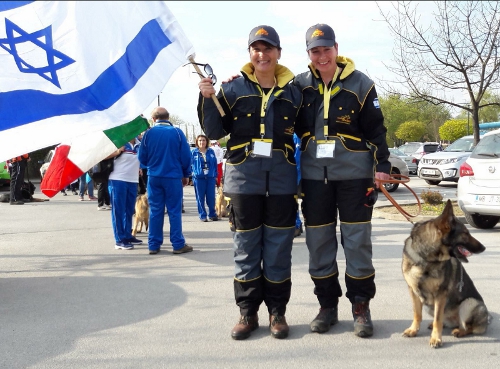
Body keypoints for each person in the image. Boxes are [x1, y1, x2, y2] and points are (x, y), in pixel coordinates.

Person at [197, 25, 302, 340]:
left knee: (279, 247)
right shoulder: (232, 88)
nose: (262, 54)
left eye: (268, 48)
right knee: (245, 247)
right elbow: (215, 131)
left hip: (282, 179)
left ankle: (277, 312)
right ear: (250, 54)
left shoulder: (295, 90)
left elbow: (309, 132)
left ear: (278, 53)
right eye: (256, 48)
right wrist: (206, 98)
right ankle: (247, 312)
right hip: (243, 179)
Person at [293, 24, 391, 338]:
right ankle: (327, 306)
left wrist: (383, 165)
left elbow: (377, 130)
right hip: (313, 178)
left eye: (326, 49)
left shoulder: (362, 84)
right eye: (315, 50)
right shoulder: (298, 85)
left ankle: (361, 306)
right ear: (309, 53)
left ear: (337, 48)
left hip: (354, 176)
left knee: (357, 242)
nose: (322, 56)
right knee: (319, 242)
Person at [138, 106, 193, 255]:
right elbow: (186, 156)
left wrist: (147, 167)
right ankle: (177, 244)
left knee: (155, 210)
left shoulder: (148, 134)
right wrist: (186, 174)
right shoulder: (177, 132)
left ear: (154, 119)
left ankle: (154, 245)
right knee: (174, 211)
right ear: (168, 118)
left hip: (154, 176)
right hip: (173, 176)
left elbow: (142, 156)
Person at [108, 138, 143, 250]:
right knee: (118, 210)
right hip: (117, 179)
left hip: (133, 180)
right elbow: (102, 156)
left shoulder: (139, 144)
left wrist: (140, 167)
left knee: (129, 210)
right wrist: (118, 151)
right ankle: (119, 239)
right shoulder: (119, 141)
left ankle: (128, 235)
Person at [191, 134, 218, 222]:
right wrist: (192, 173)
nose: (202, 142)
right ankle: (202, 215)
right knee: (200, 197)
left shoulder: (211, 151)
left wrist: (216, 175)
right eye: (200, 140)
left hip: (210, 177)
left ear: (207, 142)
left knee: (211, 197)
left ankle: (212, 214)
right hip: (199, 178)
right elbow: (189, 164)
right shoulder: (193, 152)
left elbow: (215, 164)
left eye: (204, 140)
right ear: (197, 142)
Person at [293, 133, 303, 237]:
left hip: (295, 170)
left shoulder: (296, 136)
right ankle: (297, 224)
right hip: (296, 170)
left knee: (292, 198)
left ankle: (296, 225)